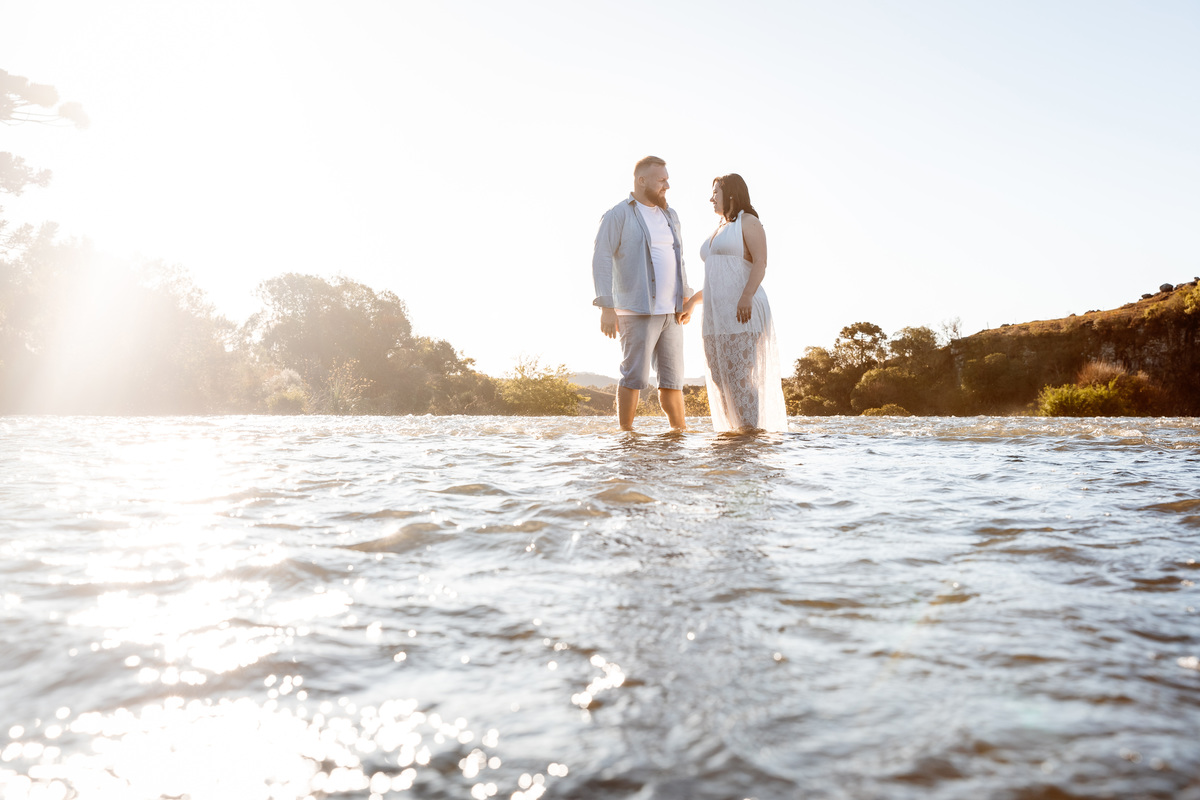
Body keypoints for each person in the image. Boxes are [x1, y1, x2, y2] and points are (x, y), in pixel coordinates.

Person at [678, 174, 787, 432]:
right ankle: (735, 433)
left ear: (731, 195)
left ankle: (750, 433)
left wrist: (747, 295)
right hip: (717, 314)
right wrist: (693, 301)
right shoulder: (720, 227)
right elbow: (720, 278)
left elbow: (760, 262)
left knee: (740, 376)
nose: (711, 198)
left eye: (715, 192)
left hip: (744, 310)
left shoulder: (748, 222)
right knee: (719, 378)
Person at [592, 156, 693, 431]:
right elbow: (601, 259)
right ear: (641, 180)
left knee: (672, 381)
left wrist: (685, 296)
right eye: (661, 180)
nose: (667, 185)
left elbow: (679, 260)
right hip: (636, 310)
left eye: (667, 179)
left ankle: (679, 435)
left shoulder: (671, 215)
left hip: (672, 312)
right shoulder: (618, 215)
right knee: (634, 377)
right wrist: (606, 306)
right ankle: (626, 434)